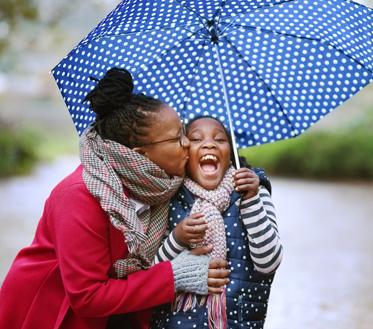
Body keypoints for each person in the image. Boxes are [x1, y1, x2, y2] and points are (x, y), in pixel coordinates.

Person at [0, 68, 230, 329]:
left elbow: (219, 177)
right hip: (51, 314)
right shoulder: (78, 197)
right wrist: (175, 275)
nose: (188, 144)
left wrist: (253, 179)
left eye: (184, 132)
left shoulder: (162, 185)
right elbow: (88, 296)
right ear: (141, 155)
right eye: (178, 137)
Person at [150, 116, 283, 329]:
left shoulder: (255, 194)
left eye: (220, 139)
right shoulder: (169, 198)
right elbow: (152, 275)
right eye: (196, 139)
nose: (209, 143)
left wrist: (251, 200)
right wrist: (177, 239)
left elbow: (269, 263)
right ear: (185, 154)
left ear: (230, 156)